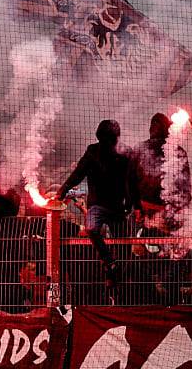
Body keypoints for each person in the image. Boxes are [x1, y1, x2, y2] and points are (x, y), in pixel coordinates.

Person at [55, 120, 134, 287]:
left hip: (117, 206)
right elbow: (78, 173)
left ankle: (116, 276)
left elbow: (130, 180)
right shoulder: (93, 151)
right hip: (97, 204)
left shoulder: (125, 153)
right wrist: (63, 190)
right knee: (91, 228)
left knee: (124, 245)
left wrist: (131, 202)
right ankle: (109, 262)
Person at [128, 113, 191, 226]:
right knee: (171, 242)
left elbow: (130, 181)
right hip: (170, 211)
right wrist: (183, 207)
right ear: (168, 129)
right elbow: (185, 184)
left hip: (144, 209)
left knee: (138, 241)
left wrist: (135, 206)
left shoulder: (139, 149)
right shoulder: (178, 151)